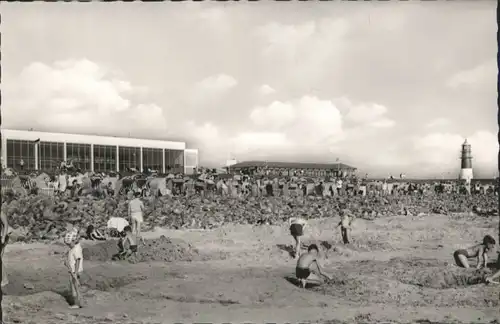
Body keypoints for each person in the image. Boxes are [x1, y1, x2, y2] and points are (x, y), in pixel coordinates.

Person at [64, 225, 83, 309]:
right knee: (74, 287)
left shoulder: (76, 249)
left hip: (75, 271)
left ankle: (77, 304)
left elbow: (78, 260)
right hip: (73, 270)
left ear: (73, 241)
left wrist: (75, 272)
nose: (68, 245)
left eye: (69, 244)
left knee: (75, 288)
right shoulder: (72, 249)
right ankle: (78, 303)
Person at [1, 210, 10, 287]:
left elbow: (6, 224)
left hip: (1, 238)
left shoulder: (1, 212)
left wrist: (3, 237)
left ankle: (4, 280)